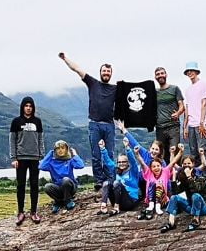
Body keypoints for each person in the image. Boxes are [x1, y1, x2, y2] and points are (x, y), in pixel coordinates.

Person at [59, 52, 121, 190]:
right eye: (104, 71)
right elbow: (78, 69)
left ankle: (110, 178)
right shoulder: (93, 83)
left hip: (110, 125)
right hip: (94, 124)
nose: (106, 73)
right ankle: (99, 181)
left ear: (111, 74)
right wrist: (65, 59)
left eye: (108, 71)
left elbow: (132, 94)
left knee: (109, 154)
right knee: (96, 154)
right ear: (100, 73)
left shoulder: (116, 89)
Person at [9, 96, 45, 226]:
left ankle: (34, 212)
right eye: (26, 106)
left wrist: (42, 157)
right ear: (22, 107)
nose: (28, 108)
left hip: (35, 158)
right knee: (21, 185)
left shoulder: (38, 122)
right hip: (21, 158)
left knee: (35, 185)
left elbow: (41, 140)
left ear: (33, 108)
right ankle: (20, 212)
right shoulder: (16, 121)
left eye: (30, 106)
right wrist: (14, 158)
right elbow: (12, 140)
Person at [162, 155, 206, 232]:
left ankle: (196, 220)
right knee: (174, 197)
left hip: (203, 208)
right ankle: (171, 223)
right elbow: (175, 193)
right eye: (184, 164)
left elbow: (196, 190)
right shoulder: (183, 178)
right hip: (191, 207)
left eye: (189, 163)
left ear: (193, 164)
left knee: (196, 196)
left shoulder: (200, 178)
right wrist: (174, 179)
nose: (186, 166)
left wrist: (189, 177)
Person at [179, 61, 206, 178]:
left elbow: (204, 103)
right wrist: (185, 126)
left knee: (203, 151)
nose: (189, 73)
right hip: (191, 125)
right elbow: (187, 108)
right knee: (194, 154)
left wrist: (202, 123)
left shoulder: (204, 84)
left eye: (191, 70)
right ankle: (198, 177)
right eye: (188, 71)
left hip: (202, 124)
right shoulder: (188, 89)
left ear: (196, 71)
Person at [97, 137, 143, 215]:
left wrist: (127, 148)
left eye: (124, 162)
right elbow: (108, 162)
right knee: (106, 183)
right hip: (118, 199)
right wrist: (102, 148)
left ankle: (116, 207)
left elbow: (133, 161)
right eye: (119, 162)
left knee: (116, 183)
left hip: (130, 201)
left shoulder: (133, 171)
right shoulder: (116, 170)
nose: (121, 163)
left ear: (128, 163)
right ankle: (103, 206)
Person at [39, 140, 85, 213]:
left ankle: (68, 200)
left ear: (66, 149)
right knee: (47, 186)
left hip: (70, 187)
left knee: (65, 180)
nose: (60, 150)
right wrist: (50, 153)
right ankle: (58, 202)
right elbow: (41, 166)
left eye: (62, 148)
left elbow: (80, 165)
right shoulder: (51, 162)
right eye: (58, 148)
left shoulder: (70, 160)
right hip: (58, 188)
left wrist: (75, 155)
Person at [153, 67, 186, 160]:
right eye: (158, 74)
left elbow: (182, 106)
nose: (160, 75)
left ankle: (176, 174)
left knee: (174, 151)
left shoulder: (174, 89)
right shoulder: (154, 92)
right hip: (159, 128)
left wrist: (178, 113)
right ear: (155, 77)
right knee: (161, 155)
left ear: (166, 75)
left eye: (162, 73)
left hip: (173, 127)